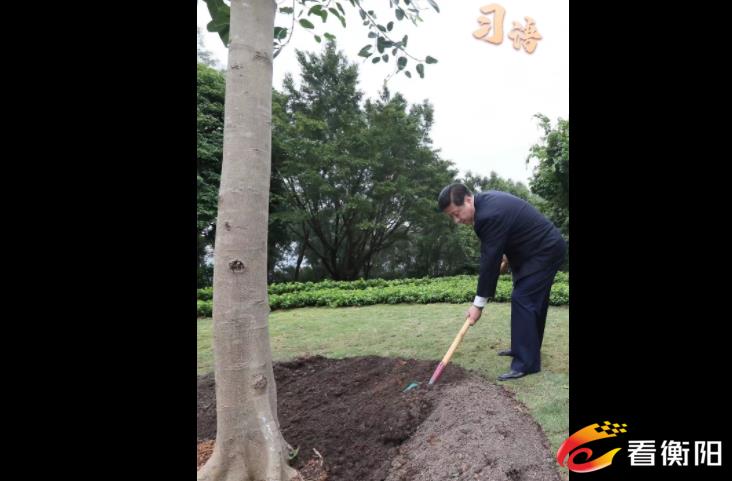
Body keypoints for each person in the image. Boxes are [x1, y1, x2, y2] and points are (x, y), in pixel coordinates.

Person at [438, 183, 566, 380]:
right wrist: (505, 257)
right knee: (530, 300)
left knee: (523, 298)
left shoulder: (487, 215)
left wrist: (478, 305)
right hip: (533, 251)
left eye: (456, 213)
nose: (456, 220)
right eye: (451, 217)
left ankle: (526, 363)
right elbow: (505, 236)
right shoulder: (485, 205)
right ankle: (524, 350)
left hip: (544, 250)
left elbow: (489, 262)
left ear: (468, 200)